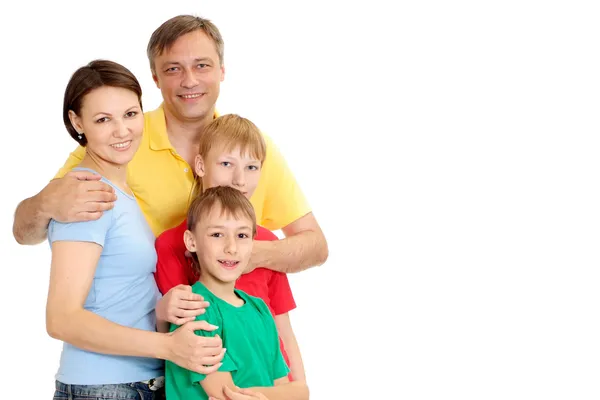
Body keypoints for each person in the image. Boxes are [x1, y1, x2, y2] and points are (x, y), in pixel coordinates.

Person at [12, 14, 328, 275]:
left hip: (239, 336)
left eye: (202, 65)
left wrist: (243, 251)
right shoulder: (121, 138)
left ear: (222, 71)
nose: (189, 80)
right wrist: (45, 205)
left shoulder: (254, 147)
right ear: (155, 78)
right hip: (147, 334)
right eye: (173, 69)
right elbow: (24, 232)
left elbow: (315, 245)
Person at [46, 60, 224, 400]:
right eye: (103, 120)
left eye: (130, 114)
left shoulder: (118, 191)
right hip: (104, 387)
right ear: (76, 122)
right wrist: (169, 346)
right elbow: (61, 318)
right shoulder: (86, 196)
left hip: (137, 383)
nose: (122, 131)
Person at [155, 114, 305, 382]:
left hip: (273, 382)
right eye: (227, 164)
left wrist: (299, 388)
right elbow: (179, 331)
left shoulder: (268, 243)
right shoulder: (171, 244)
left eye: (251, 167)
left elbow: (285, 333)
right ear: (200, 165)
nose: (240, 180)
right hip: (214, 383)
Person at [166, 186, 309, 400]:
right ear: (191, 241)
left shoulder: (259, 309)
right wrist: (278, 395)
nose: (231, 247)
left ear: (253, 242)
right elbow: (226, 394)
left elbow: (299, 392)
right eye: (217, 234)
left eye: (242, 235)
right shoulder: (193, 308)